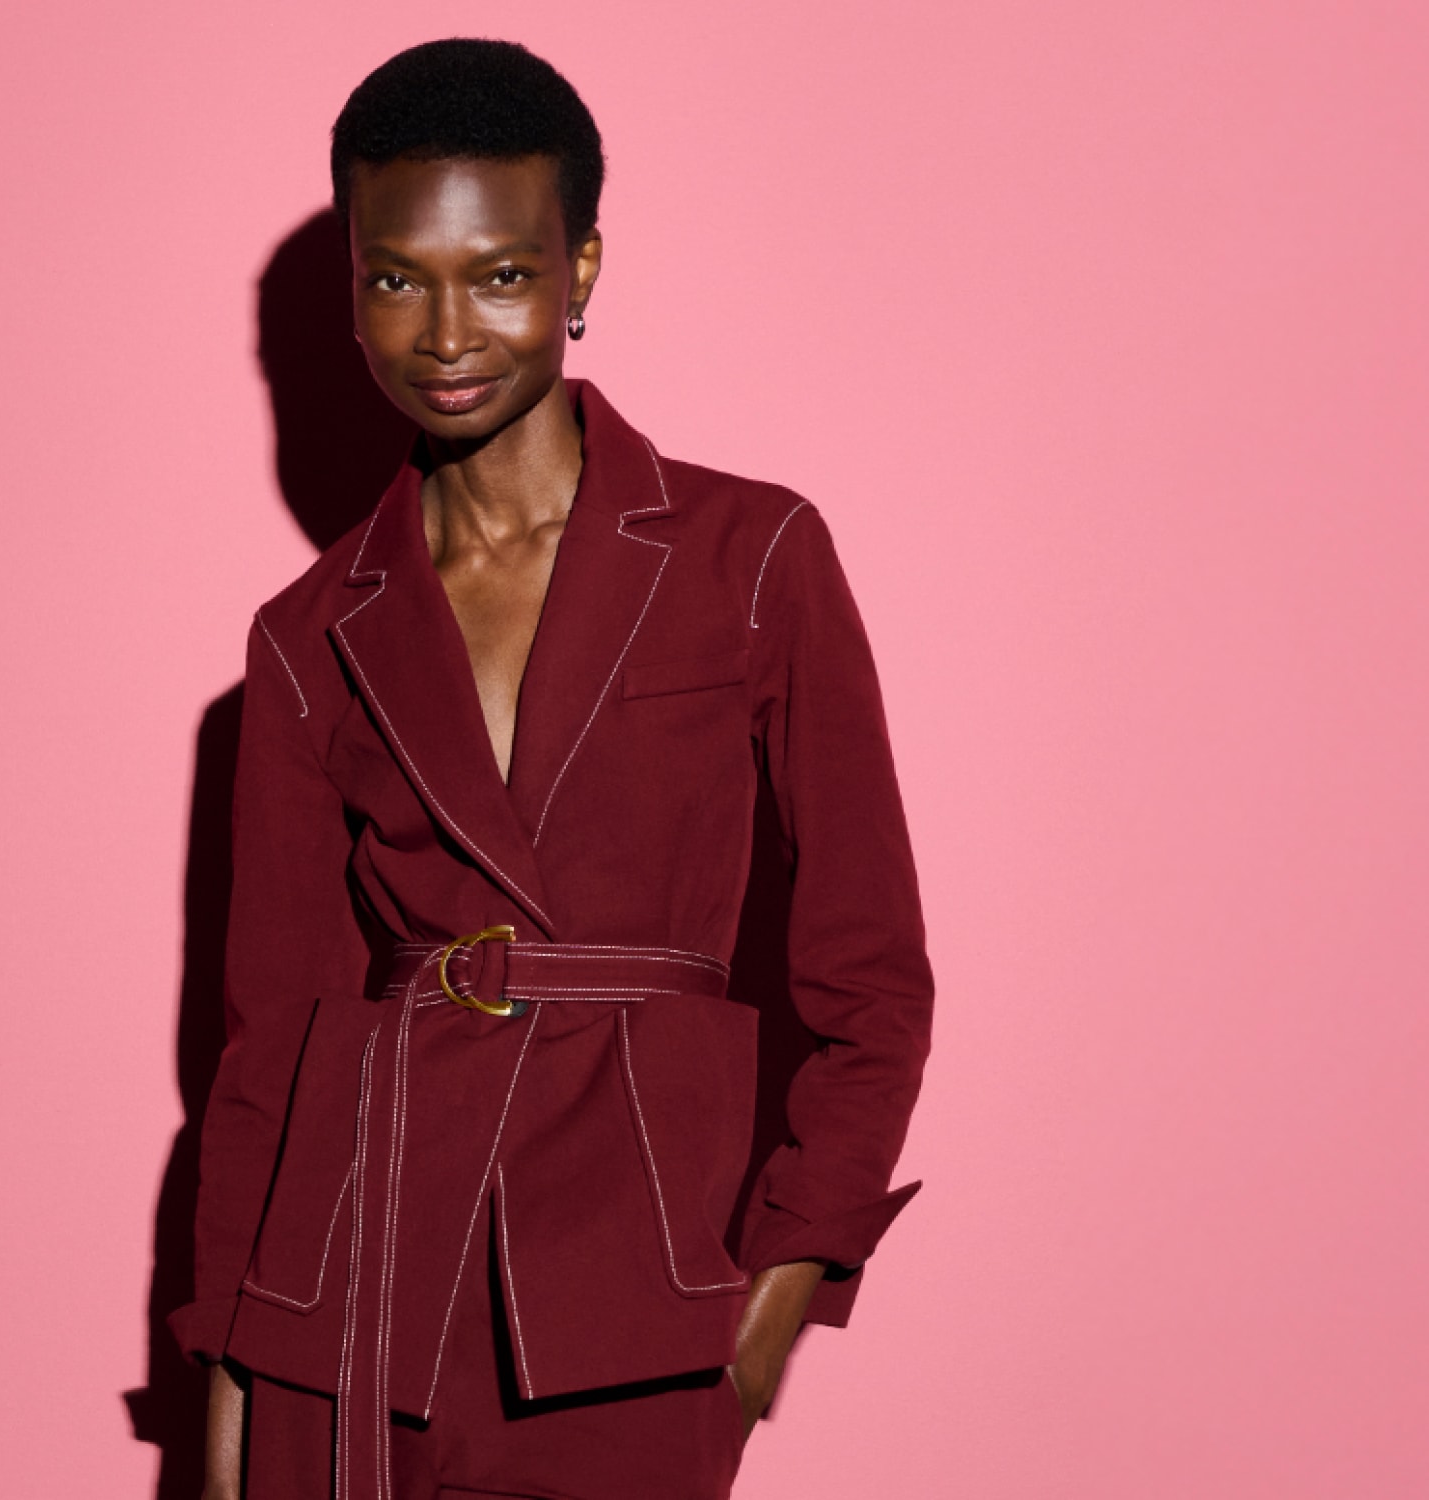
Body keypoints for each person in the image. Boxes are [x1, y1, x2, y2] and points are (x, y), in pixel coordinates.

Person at [170, 37, 934, 1500]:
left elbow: (873, 979)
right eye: (398, 278)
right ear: (351, 291)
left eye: (502, 274)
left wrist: (772, 1300)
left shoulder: (752, 556)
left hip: (629, 1303)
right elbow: (266, 1051)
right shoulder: (306, 634)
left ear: (580, 272)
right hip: (346, 1308)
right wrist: (224, 1383)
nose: (447, 330)